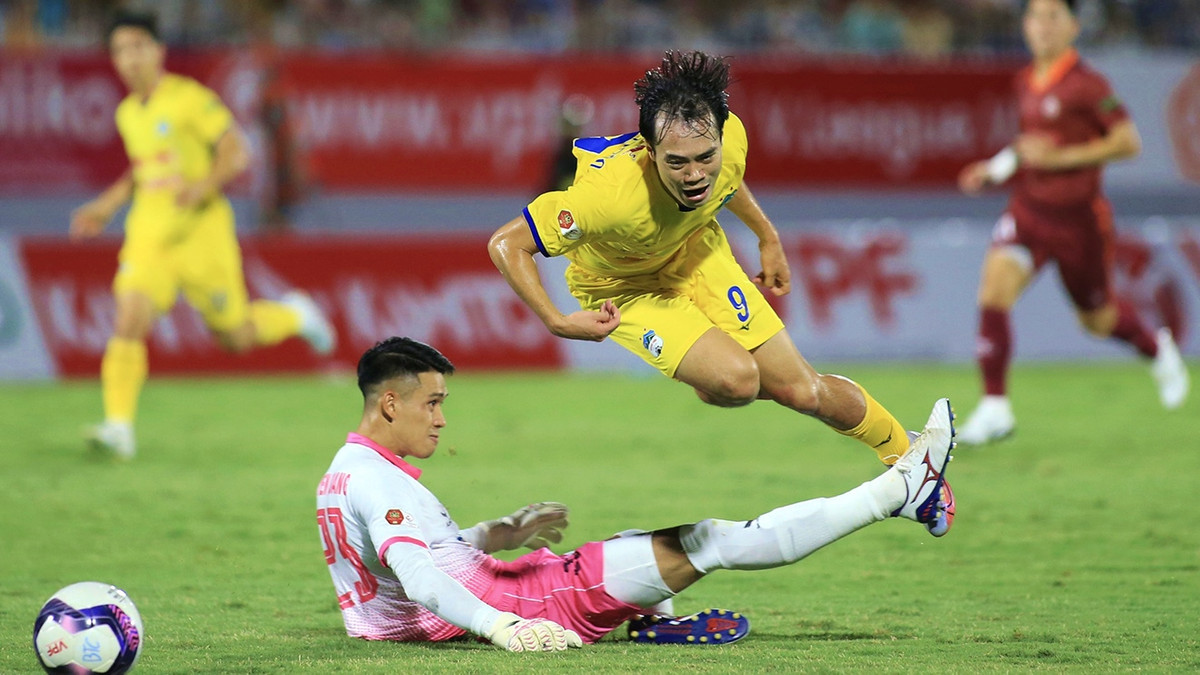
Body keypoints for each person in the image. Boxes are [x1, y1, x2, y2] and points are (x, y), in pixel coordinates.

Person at [487, 50, 954, 536]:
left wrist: (767, 236)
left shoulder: (730, 137)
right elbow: (505, 244)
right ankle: (711, 375)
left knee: (802, 391)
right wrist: (557, 320)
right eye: (677, 163)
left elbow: (729, 181)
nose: (695, 175)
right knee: (737, 382)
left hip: (698, 255)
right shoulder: (607, 198)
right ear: (649, 152)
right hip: (624, 289)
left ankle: (913, 463)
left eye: (704, 157)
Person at [316, 336, 956, 651]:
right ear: (390, 402)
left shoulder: (343, 473)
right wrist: (503, 627)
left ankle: (648, 618)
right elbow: (420, 579)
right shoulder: (380, 482)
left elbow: (392, 571)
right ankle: (899, 491)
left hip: (511, 585)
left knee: (638, 546)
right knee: (711, 541)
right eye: (432, 403)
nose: (440, 419)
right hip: (535, 602)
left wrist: (496, 534)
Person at [69, 11, 336, 459]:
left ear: (158, 50)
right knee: (129, 316)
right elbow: (142, 169)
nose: (130, 59)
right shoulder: (128, 112)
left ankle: (296, 315)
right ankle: (119, 427)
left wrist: (203, 186)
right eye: (120, 50)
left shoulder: (189, 98)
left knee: (235, 337)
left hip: (202, 234)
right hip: (150, 234)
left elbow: (237, 151)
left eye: (138, 47)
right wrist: (106, 205)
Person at [956, 0, 1190, 445]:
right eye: (1035, 17)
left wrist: (1061, 158)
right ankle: (995, 407)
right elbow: (1031, 144)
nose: (1042, 27)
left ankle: (1156, 348)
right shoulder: (1026, 79)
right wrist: (996, 169)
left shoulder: (1088, 85)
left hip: (1078, 223)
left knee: (1097, 321)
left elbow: (1128, 142)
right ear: (1024, 25)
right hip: (1029, 210)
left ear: (1073, 27)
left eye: (1053, 17)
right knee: (993, 292)